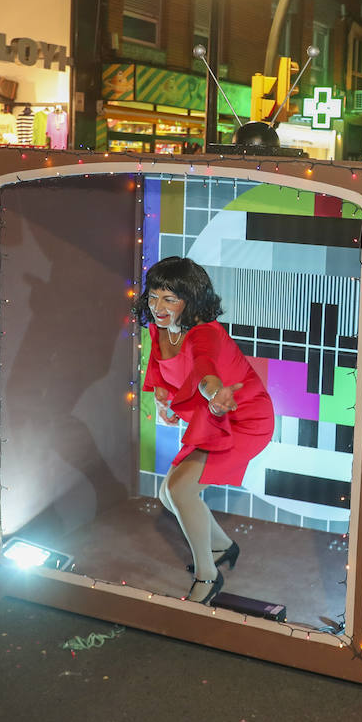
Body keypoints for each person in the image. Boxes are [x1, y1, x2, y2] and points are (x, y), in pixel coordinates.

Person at [135, 256, 274, 604]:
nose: (158, 307)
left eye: (169, 299)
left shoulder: (204, 334)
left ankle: (208, 577)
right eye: (153, 296)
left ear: (191, 299)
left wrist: (215, 394)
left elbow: (205, 371)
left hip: (244, 418)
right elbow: (159, 366)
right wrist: (163, 399)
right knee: (169, 495)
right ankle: (224, 547)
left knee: (180, 491)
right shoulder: (160, 328)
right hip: (213, 417)